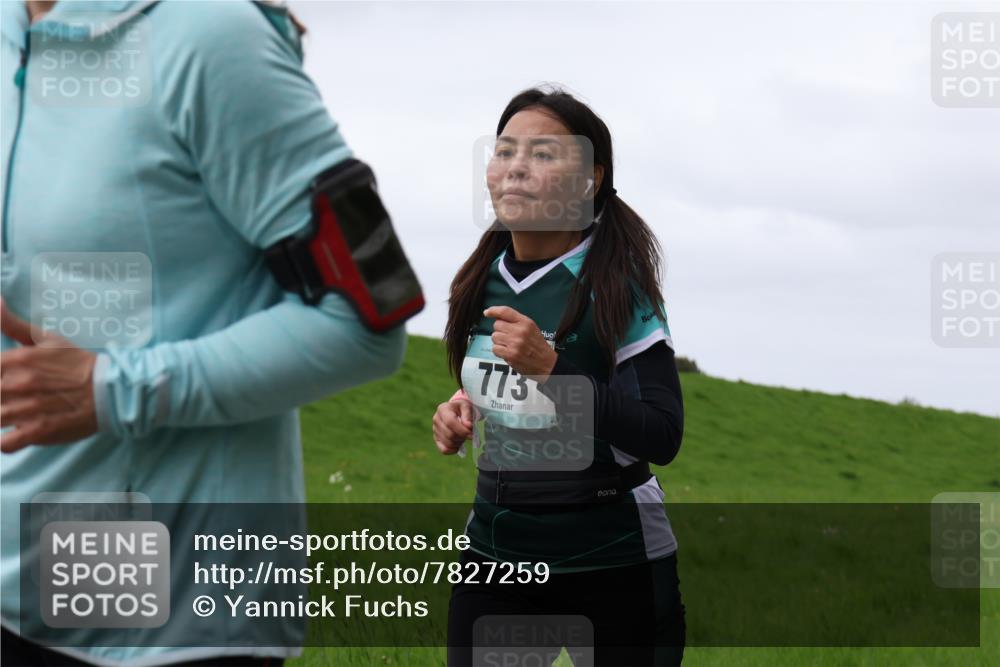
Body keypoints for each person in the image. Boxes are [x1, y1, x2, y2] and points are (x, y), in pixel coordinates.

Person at [1, 1, 409, 665]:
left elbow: (372, 317)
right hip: (18, 599)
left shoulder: (215, 35)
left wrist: (112, 389)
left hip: (174, 628)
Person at [432, 87, 687, 666]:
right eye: (504, 151)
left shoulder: (621, 288)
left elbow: (661, 434)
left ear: (589, 179)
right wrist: (460, 407)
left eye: (544, 154)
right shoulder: (477, 282)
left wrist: (552, 369)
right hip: (497, 556)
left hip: (615, 559)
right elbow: (504, 387)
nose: (516, 167)